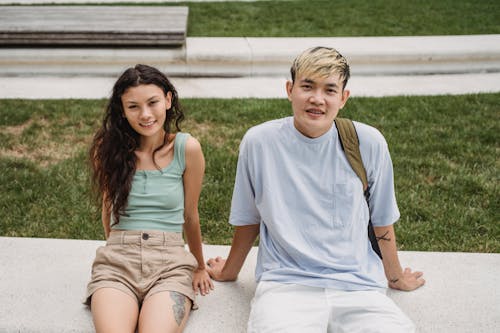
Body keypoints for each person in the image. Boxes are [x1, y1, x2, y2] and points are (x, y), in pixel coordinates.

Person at [207, 47, 425, 332]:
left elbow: (381, 220)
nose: (317, 99)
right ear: (290, 89)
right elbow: (249, 220)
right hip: (285, 286)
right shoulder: (259, 143)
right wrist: (229, 271)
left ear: (343, 98)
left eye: (329, 90)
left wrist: (395, 278)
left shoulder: (368, 143)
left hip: (358, 287)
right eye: (307, 86)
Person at [85, 64, 213, 333]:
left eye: (152, 102)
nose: (145, 114)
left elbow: (190, 215)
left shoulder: (186, 148)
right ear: (122, 109)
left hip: (170, 265)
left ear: (167, 100)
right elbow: (108, 208)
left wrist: (200, 265)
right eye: (133, 106)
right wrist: (117, 246)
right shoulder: (108, 149)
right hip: (117, 264)